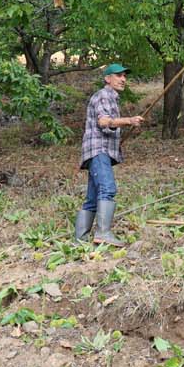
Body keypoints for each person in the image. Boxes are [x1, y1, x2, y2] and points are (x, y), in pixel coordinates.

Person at [78, 63, 143, 244]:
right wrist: (129, 121)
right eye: (118, 75)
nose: (123, 79)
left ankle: (79, 240)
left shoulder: (111, 98)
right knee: (107, 188)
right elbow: (104, 122)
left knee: (92, 198)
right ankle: (103, 234)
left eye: (124, 76)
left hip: (97, 151)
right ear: (107, 78)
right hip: (99, 151)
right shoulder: (104, 95)